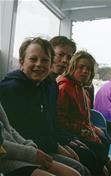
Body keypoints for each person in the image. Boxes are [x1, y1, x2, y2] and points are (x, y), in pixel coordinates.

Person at [0, 37, 90, 176]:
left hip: (32, 147)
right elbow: (21, 130)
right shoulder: (10, 89)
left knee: (82, 167)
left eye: (44, 60)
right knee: (77, 170)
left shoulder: (46, 85)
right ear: (22, 62)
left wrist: (64, 142)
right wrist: (48, 148)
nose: (39, 64)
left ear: (50, 63)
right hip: (13, 155)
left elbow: (47, 123)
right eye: (33, 59)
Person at [56, 51, 111, 176]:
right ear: (72, 67)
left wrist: (93, 128)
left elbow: (84, 118)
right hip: (71, 135)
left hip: (85, 132)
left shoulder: (81, 88)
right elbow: (59, 120)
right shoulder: (65, 87)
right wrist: (82, 130)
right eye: (81, 67)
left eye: (88, 69)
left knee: (105, 139)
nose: (85, 71)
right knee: (109, 169)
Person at [0, 103, 81, 176]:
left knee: (75, 173)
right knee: (77, 168)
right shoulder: (13, 90)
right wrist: (32, 153)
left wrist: (28, 144)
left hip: (23, 151)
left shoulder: (46, 89)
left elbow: (9, 127)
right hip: (5, 160)